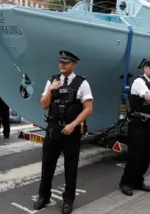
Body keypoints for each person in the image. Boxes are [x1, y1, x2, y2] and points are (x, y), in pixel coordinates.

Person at [33, 51, 93, 214]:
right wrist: (51, 90)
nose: (62, 64)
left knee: (71, 167)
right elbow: (43, 105)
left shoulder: (82, 83)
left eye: (66, 62)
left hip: (71, 131)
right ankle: (43, 196)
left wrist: (74, 124)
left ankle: (68, 200)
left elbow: (88, 109)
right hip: (53, 129)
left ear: (73, 65)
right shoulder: (52, 81)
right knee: (47, 165)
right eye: (60, 62)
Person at [119, 60, 150, 196]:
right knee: (135, 154)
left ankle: (138, 181)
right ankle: (126, 182)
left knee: (147, 155)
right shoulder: (139, 82)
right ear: (145, 68)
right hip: (138, 123)